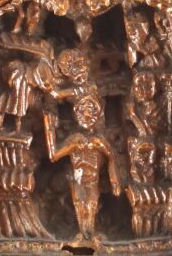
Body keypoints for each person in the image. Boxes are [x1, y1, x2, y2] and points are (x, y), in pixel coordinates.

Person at [43, 94, 122, 239]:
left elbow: (112, 159)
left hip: (93, 180)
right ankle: (83, 232)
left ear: (97, 115)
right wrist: (49, 128)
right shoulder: (74, 139)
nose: (86, 114)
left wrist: (114, 181)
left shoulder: (99, 140)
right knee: (80, 204)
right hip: (78, 178)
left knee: (90, 204)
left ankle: (89, 232)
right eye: (82, 110)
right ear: (77, 114)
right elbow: (54, 155)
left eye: (90, 110)